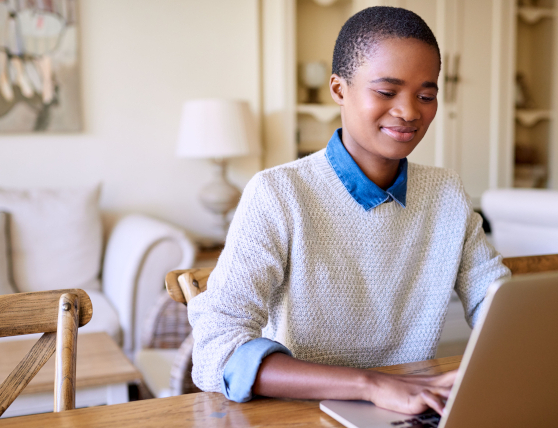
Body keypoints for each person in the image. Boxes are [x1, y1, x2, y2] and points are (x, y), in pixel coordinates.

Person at [188, 6, 510, 416]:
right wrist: (371, 385)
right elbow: (217, 349)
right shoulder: (277, 193)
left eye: (426, 96)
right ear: (339, 90)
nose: (410, 112)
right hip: (299, 413)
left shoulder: (447, 192)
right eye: (387, 91)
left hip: (409, 409)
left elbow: (498, 305)